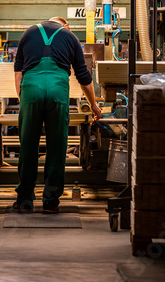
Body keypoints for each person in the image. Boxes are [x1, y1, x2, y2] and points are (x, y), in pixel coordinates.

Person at [13, 16, 102, 213]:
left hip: (30, 89)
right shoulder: (70, 37)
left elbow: (18, 73)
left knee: (28, 146)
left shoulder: (28, 32)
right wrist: (94, 105)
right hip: (57, 90)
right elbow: (84, 77)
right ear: (65, 26)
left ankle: (25, 200)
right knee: (56, 147)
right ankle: (50, 202)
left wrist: (24, 100)